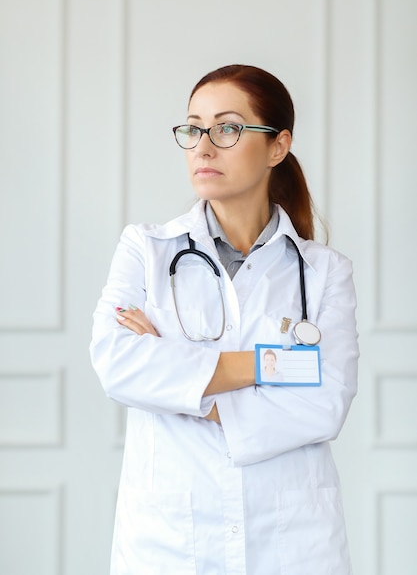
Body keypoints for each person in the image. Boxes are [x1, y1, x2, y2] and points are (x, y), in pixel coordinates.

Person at [90, 64, 359, 574]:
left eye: (228, 128)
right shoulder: (145, 249)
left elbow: (326, 403)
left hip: (291, 539)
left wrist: (180, 377)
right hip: (170, 539)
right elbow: (117, 363)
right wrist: (271, 367)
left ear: (277, 147)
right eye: (193, 128)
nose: (203, 146)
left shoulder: (324, 272)